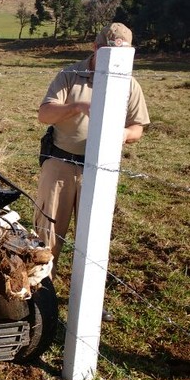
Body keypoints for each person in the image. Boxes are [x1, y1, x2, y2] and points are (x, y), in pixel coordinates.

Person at [33, 22, 150, 321]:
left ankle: (88, 303)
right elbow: (44, 114)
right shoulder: (69, 75)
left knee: (94, 239)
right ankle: (39, 300)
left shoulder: (129, 84)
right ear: (96, 48)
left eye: (122, 54)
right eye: (108, 52)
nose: (114, 59)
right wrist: (77, 106)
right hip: (60, 164)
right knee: (48, 235)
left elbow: (138, 127)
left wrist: (121, 135)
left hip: (101, 169)